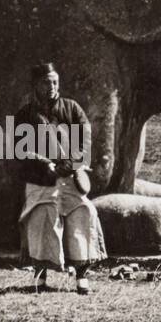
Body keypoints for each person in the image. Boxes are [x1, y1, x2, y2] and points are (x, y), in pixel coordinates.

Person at [15, 62, 106, 293]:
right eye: (46, 82)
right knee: (41, 223)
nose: (51, 86)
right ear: (36, 84)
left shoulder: (72, 108)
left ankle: (82, 277)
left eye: (55, 81)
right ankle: (41, 277)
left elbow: (85, 141)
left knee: (82, 216)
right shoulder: (25, 115)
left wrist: (67, 165)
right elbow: (20, 148)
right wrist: (44, 163)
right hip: (40, 180)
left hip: (71, 178)